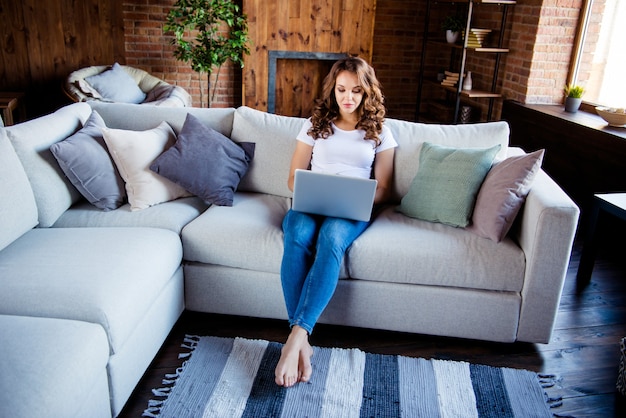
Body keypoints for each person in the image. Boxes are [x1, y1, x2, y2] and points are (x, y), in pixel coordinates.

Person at [275, 56, 397, 387]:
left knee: (330, 239)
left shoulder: (381, 131)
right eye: (342, 90)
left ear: (366, 92)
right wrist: (315, 186)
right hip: (312, 201)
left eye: (356, 91)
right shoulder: (314, 124)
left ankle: (295, 340)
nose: (348, 98)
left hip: (351, 209)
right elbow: (292, 178)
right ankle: (301, 344)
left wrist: (353, 194)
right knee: (297, 234)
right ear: (333, 90)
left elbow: (385, 189)